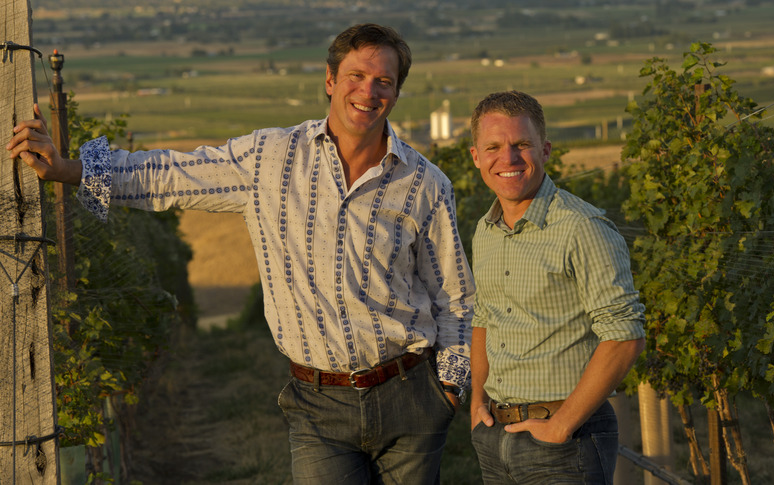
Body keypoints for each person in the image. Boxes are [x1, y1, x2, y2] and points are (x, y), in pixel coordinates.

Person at [7, 24, 474, 484]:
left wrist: (447, 392)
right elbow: (171, 174)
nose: (368, 91)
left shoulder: (425, 183)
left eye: (383, 82)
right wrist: (69, 169)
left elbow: (455, 299)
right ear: (330, 81)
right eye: (356, 76)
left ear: (396, 93)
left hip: (410, 394)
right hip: (318, 403)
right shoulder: (270, 158)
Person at [467, 91, 646, 485]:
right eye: (493, 147)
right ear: (476, 156)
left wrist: (561, 425)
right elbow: (484, 318)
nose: (508, 158)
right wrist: (478, 399)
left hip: (566, 440)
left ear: (545, 150)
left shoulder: (582, 227)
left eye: (522, 145)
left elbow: (624, 335)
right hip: (495, 435)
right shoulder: (485, 229)